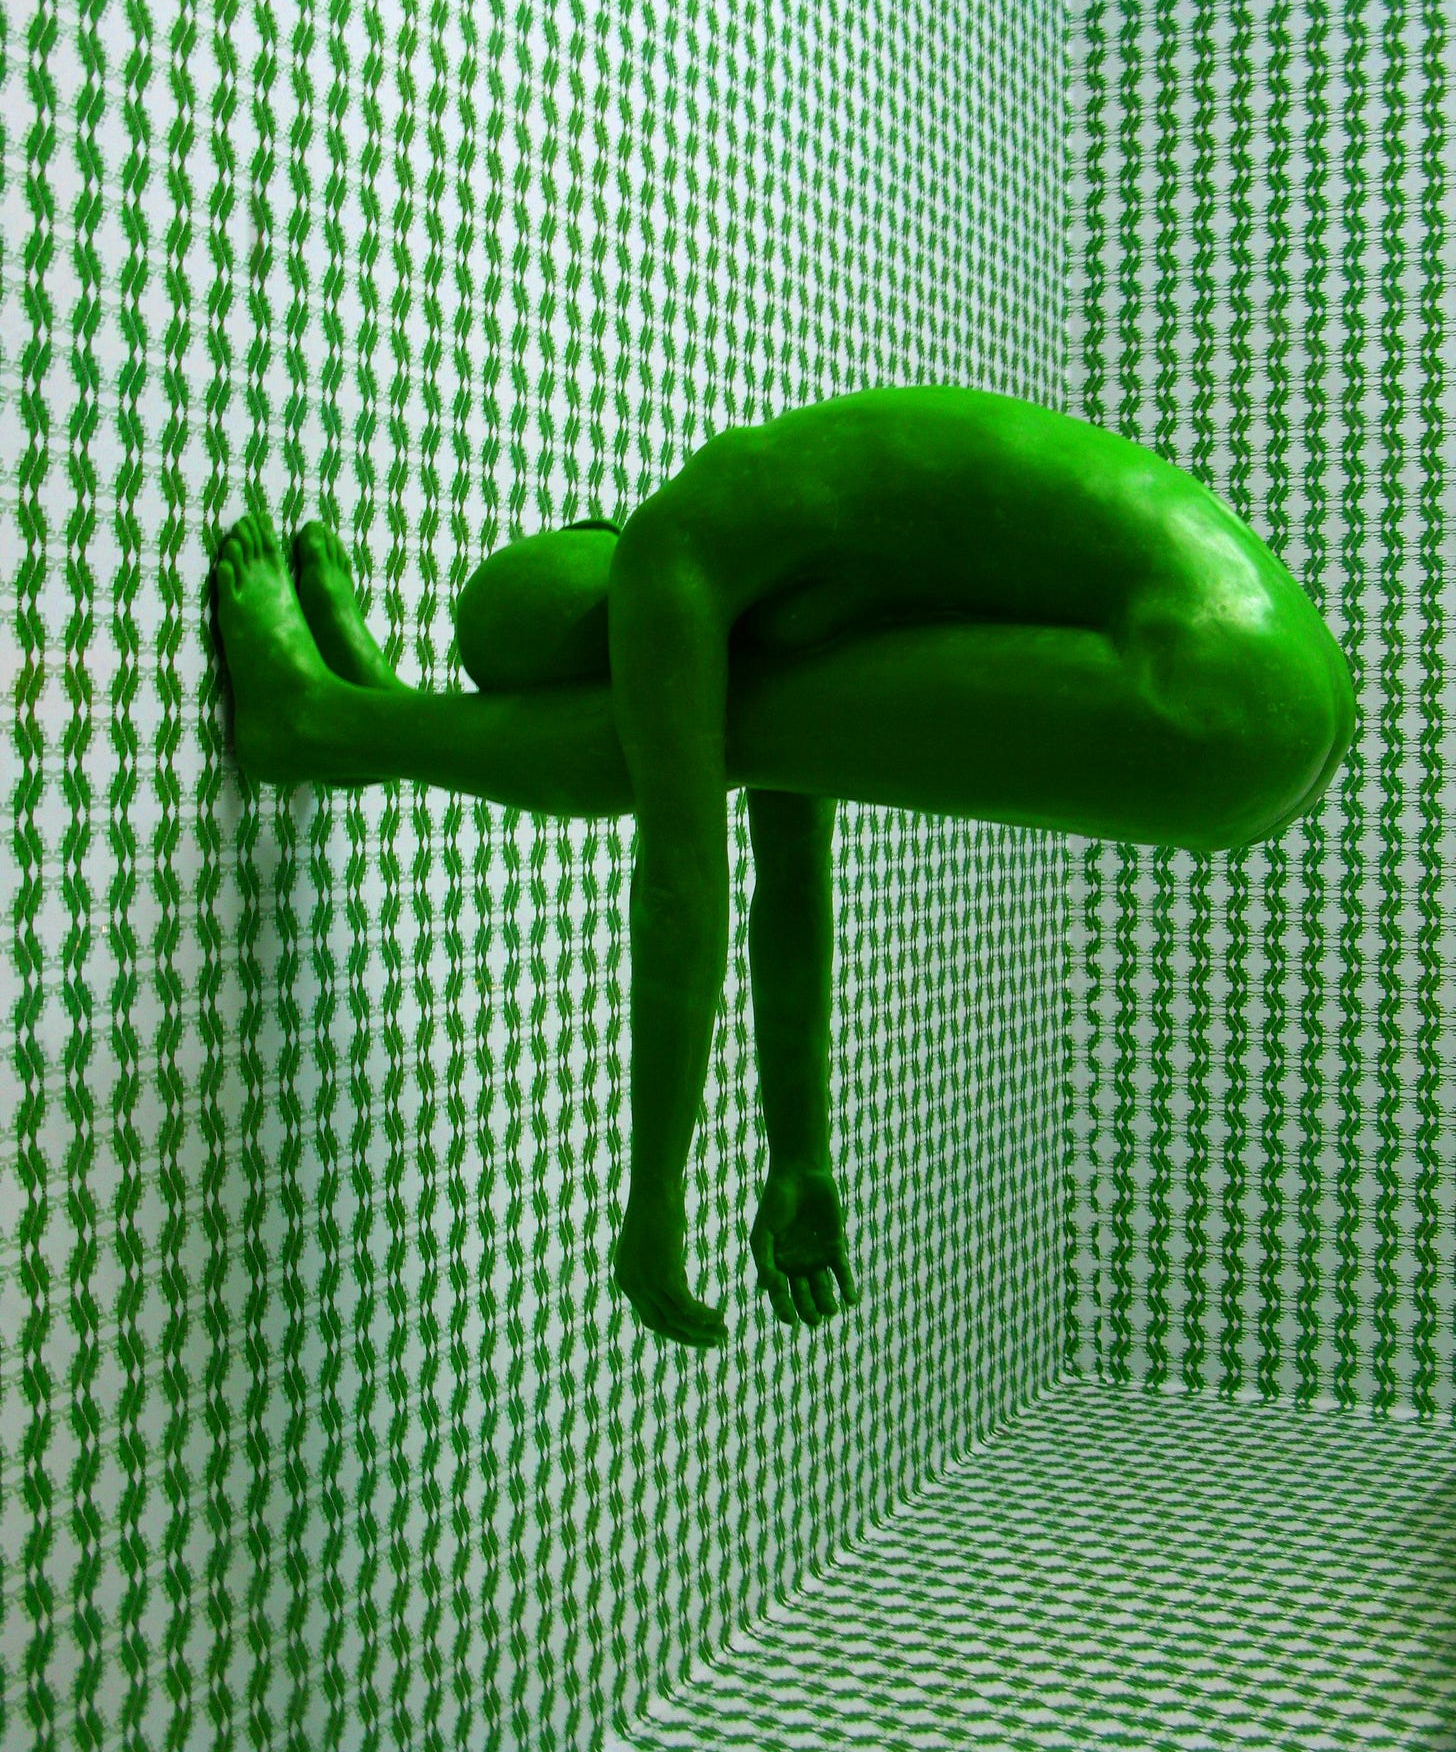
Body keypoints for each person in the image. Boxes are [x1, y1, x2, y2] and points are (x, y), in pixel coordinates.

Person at [212, 384, 1357, 1352]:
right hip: (1282, 680)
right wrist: (798, 1150)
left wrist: (652, 1200)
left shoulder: (680, 551)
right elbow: (788, 885)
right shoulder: (795, 577)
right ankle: (372, 722)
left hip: (1205, 691)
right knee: (732, 737)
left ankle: (324, 723)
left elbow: (680, 882)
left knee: (671, 753)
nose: (649, 695)